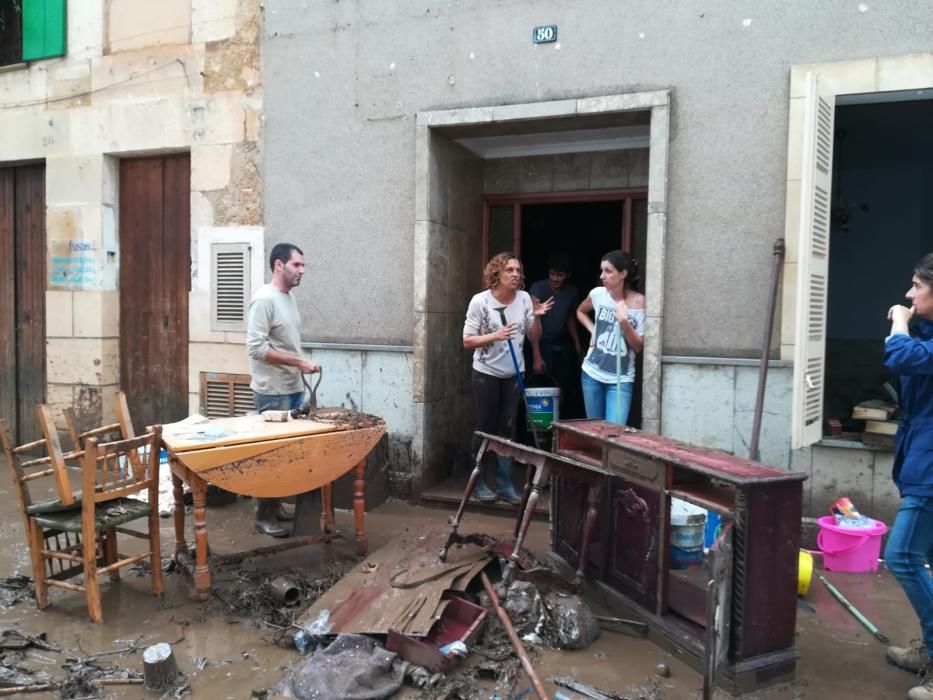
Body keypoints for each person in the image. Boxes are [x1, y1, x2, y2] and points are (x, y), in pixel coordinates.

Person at [880, 252, 933, 700]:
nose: (908, 295)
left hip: (931, 470)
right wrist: (911, 320)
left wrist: (900, 323)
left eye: (917, 286)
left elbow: (900, 355)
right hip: (920, 455)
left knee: (901, 557)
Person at [463, 252, 553, 503]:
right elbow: (467, 340)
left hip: (514, 372)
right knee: (484, 428)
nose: (516, 274)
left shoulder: (524, 298)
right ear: (496, 274)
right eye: (509, 270)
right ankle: (479, 482)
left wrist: (536, 315)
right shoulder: (480, 302)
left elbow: (533, 337)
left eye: (518, 270)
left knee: (507, 430)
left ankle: (504, 483)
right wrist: (495, 336)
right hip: (486, 373)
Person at [246, 242, 321, 537]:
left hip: (291, 388)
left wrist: (299, 366)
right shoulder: (264, 300)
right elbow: (255, 348)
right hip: (271, 390)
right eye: (296, 265)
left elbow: (285, 341)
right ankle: (263, 516)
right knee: (272, 455)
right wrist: (298, 361)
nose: (302, 270)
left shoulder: (288, 298)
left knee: (288, 454)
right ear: (279, 265)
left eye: (303, 265)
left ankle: (274, 506)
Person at [575, 250, 645, 426]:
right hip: (592, 373)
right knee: (594, 431)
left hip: (620, 381)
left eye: (608, 271)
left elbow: (638, 347)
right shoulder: (598, 294)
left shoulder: (639, 302)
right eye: (602, 270)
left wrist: (624, 322)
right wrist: (593, 330)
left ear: (623, 274)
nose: (602, 276)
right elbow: (580, 311)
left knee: (615, 434)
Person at [528, 252, 584, 416]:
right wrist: (537, 356)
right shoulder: (538, 288)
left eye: (560, 275)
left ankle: (559, 425)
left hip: (560, 342)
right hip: (537, 343)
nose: (555, 278)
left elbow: (569, 317)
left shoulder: (571, 291)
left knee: (561, 386)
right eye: (552, 273)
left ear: (568, 275)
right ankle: (538, 431)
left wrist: (577, 345)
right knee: (538, 389)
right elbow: (533, 321)